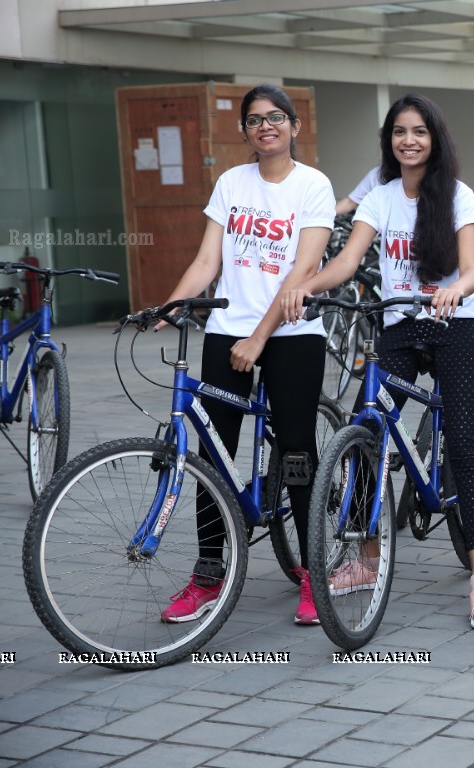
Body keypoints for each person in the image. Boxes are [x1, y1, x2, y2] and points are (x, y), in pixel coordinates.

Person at [281, 93, 474, 630]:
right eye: (400, 132)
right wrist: (306, 288)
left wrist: (454, 293)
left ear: (435, 139)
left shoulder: (458, 196)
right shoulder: (379, 198)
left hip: (457, 324)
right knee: (366, 429)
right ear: (390, 140)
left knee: (465, 444)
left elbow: (471, 269)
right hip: (400, 326)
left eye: (419, 132)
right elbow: (348, 261)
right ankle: (364, 558)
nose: (409, 140)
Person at [158, 84, 334, 626]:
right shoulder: (231, 183)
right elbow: (207, 259)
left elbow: (302, 273)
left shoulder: (313, 185)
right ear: (245, 131)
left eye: (276, 117)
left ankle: (312, 575)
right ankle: (209, 574)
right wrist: (166, 307)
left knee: (299, 454)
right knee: (211, 456)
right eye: (255, 120)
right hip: (227, 329)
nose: (266, 126)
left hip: (292, 334)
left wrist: (259, 338)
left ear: (294, 126)